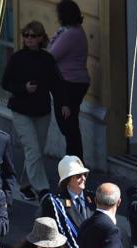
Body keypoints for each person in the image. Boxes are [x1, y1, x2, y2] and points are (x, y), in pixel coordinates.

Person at [1, 22, 56, 198]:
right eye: (26, 35)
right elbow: (5, 83)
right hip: (21, 110)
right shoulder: (17, 58)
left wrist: (64, 104)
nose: (29, 39)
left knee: (37, 151)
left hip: (42, 110)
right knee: (33, 149)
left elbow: (57, 83)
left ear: (41, 38)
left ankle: (25, 185)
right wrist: (24, 88)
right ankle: (42, 188)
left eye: (33, 36)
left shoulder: (47, 59)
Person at [49, 1, 89, 159]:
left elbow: (52, 55)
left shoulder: (72, 33)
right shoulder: (71, 31)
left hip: (70, 83)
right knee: (68, 125)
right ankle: (73, 160)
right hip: (70, 82)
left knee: (68, 125)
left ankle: (75, 161)